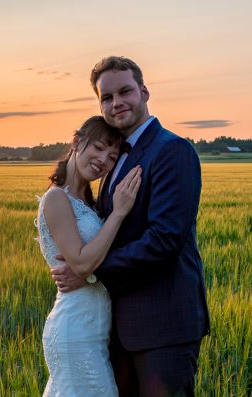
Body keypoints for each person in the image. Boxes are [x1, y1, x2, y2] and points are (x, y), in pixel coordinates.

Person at [51, 56, 210, 397]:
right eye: (106, 97)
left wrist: (89, 272)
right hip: (117, 328)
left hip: (163, 326)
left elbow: (164, 239)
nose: (116, 102)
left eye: (125, 91)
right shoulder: (114, 161)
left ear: (144, 92)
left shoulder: (172, 150)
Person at [36, 115, 142, 396]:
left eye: (111, 157)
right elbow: (82, 262)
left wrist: (91, 274)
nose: (102, 161)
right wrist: (119, 213)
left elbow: (91, 265)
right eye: (98, 148)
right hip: (75, 331)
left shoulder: (91, 203)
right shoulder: (57, 198)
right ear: (76, 142)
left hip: (95, 332)